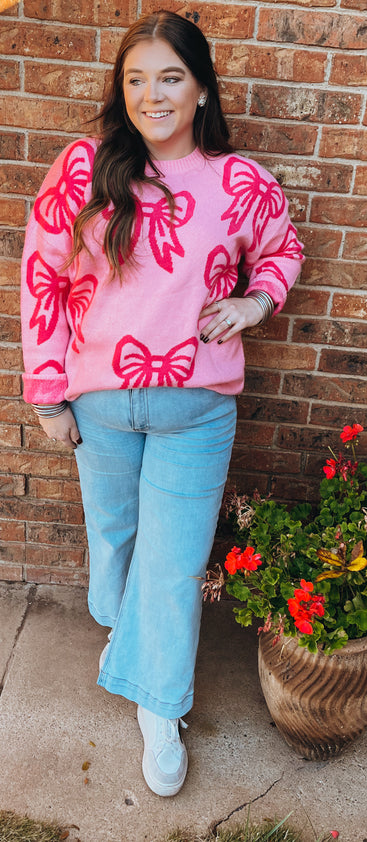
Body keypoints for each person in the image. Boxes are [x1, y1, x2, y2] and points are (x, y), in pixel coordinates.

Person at [20, 10, 304, 798]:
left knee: (174, 567)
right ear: (122, 89)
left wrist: (253, 305)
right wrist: (47, 393)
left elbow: (284, 249)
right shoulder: (83, 167)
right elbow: (41, 277)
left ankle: (159, 706)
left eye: (170, 76)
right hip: (101, 403)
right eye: (137, 78)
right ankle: (128, 634)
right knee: (114, 543)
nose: (152, 94)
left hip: (195, 409)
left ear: (201, 87)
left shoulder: (239, 182)